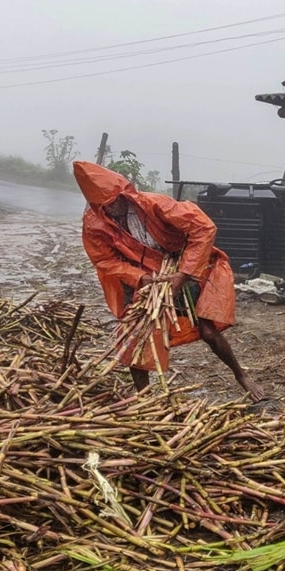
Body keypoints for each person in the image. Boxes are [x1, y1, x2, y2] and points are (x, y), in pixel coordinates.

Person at [73, 161, 264, 401]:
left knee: (208, 331)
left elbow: (203, 228)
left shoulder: (154, 204)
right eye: (105, 206)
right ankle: (144, 398)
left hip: (180, 266)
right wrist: (140, 278)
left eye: (115, 201)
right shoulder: (95, 224)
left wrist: (182, 274)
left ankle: (241, 375)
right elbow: (105, 259)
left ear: (124, 193)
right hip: (142, 277)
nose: (113, 209)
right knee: (136, 334)